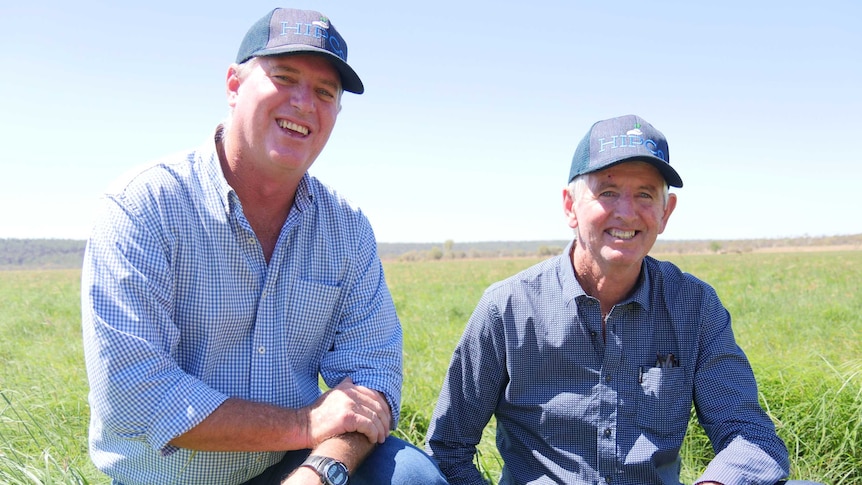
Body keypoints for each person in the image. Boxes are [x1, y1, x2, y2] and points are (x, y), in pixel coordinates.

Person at [81, 7, 447, 485]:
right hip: (166, 477)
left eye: (324, 92)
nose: (303, 103)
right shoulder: (143, 207)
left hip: (292, 466)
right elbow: (134, 394)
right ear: (234, 86)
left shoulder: (346, 229)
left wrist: (322, 468)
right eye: (284, 77)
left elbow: (373, 376)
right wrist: (304, 424)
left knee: (413, 477)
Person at [425, 114, 821, 485]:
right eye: (608, 192)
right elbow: (449, 449)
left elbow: (748, 434)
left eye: (646, 195)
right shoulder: (507, 309)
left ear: (666, 212)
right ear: (570, 207)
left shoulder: (694, 307)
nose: (627, 213)